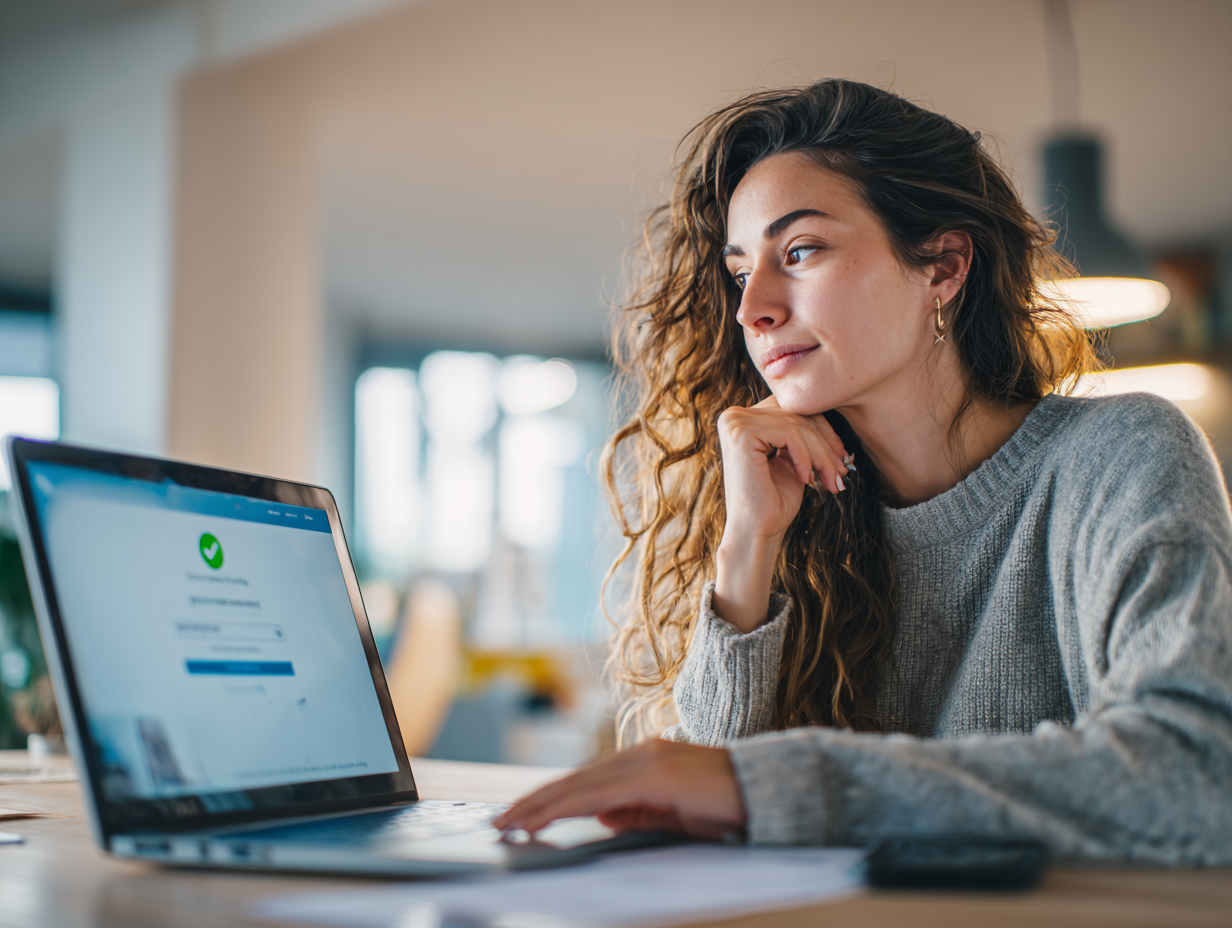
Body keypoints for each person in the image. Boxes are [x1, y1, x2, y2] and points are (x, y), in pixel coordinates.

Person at [493, 80, 1232, 863]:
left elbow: (1194, 776)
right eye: (743, 273)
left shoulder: (1123, 456)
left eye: (801, 251)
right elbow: (698, 818)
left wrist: (777, 786)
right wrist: (749, 544)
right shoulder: (801, 512)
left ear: (944, 267)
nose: (753, 311)